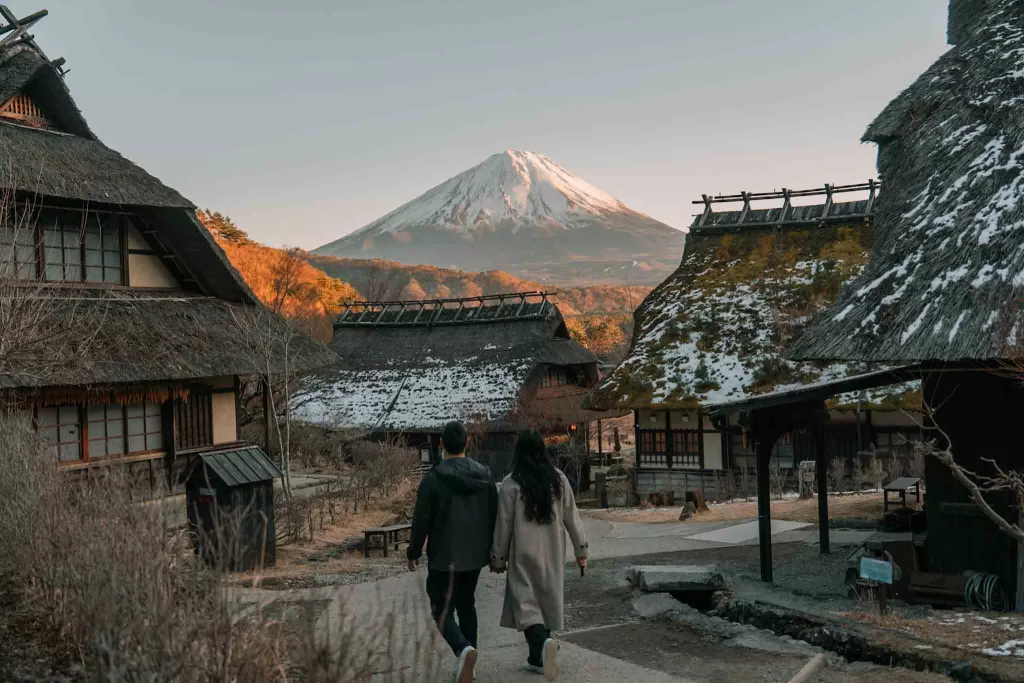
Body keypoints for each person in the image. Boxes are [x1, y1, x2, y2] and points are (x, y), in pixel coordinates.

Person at [490, 430, 588, 681]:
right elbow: (572, 517)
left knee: (526, 607)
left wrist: (498, 558)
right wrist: (581, 550)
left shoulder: (511, 484)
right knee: (545, 603)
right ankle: (539, 656)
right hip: (553, 552)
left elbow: (503, 524)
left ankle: (543, 646)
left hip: (523, 554)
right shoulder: (559, 480)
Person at [407, 420, 498, 683]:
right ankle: (470, 660)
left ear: (442, 445)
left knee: (440, 608)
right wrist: (494, 550)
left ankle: (462, 649)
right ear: (468, 443)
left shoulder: (433, 479)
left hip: (443, 557)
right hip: (475, 555)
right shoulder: (485, 475)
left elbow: (421, 519)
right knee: (466, 605)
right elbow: (494, 515)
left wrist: (413, 552)